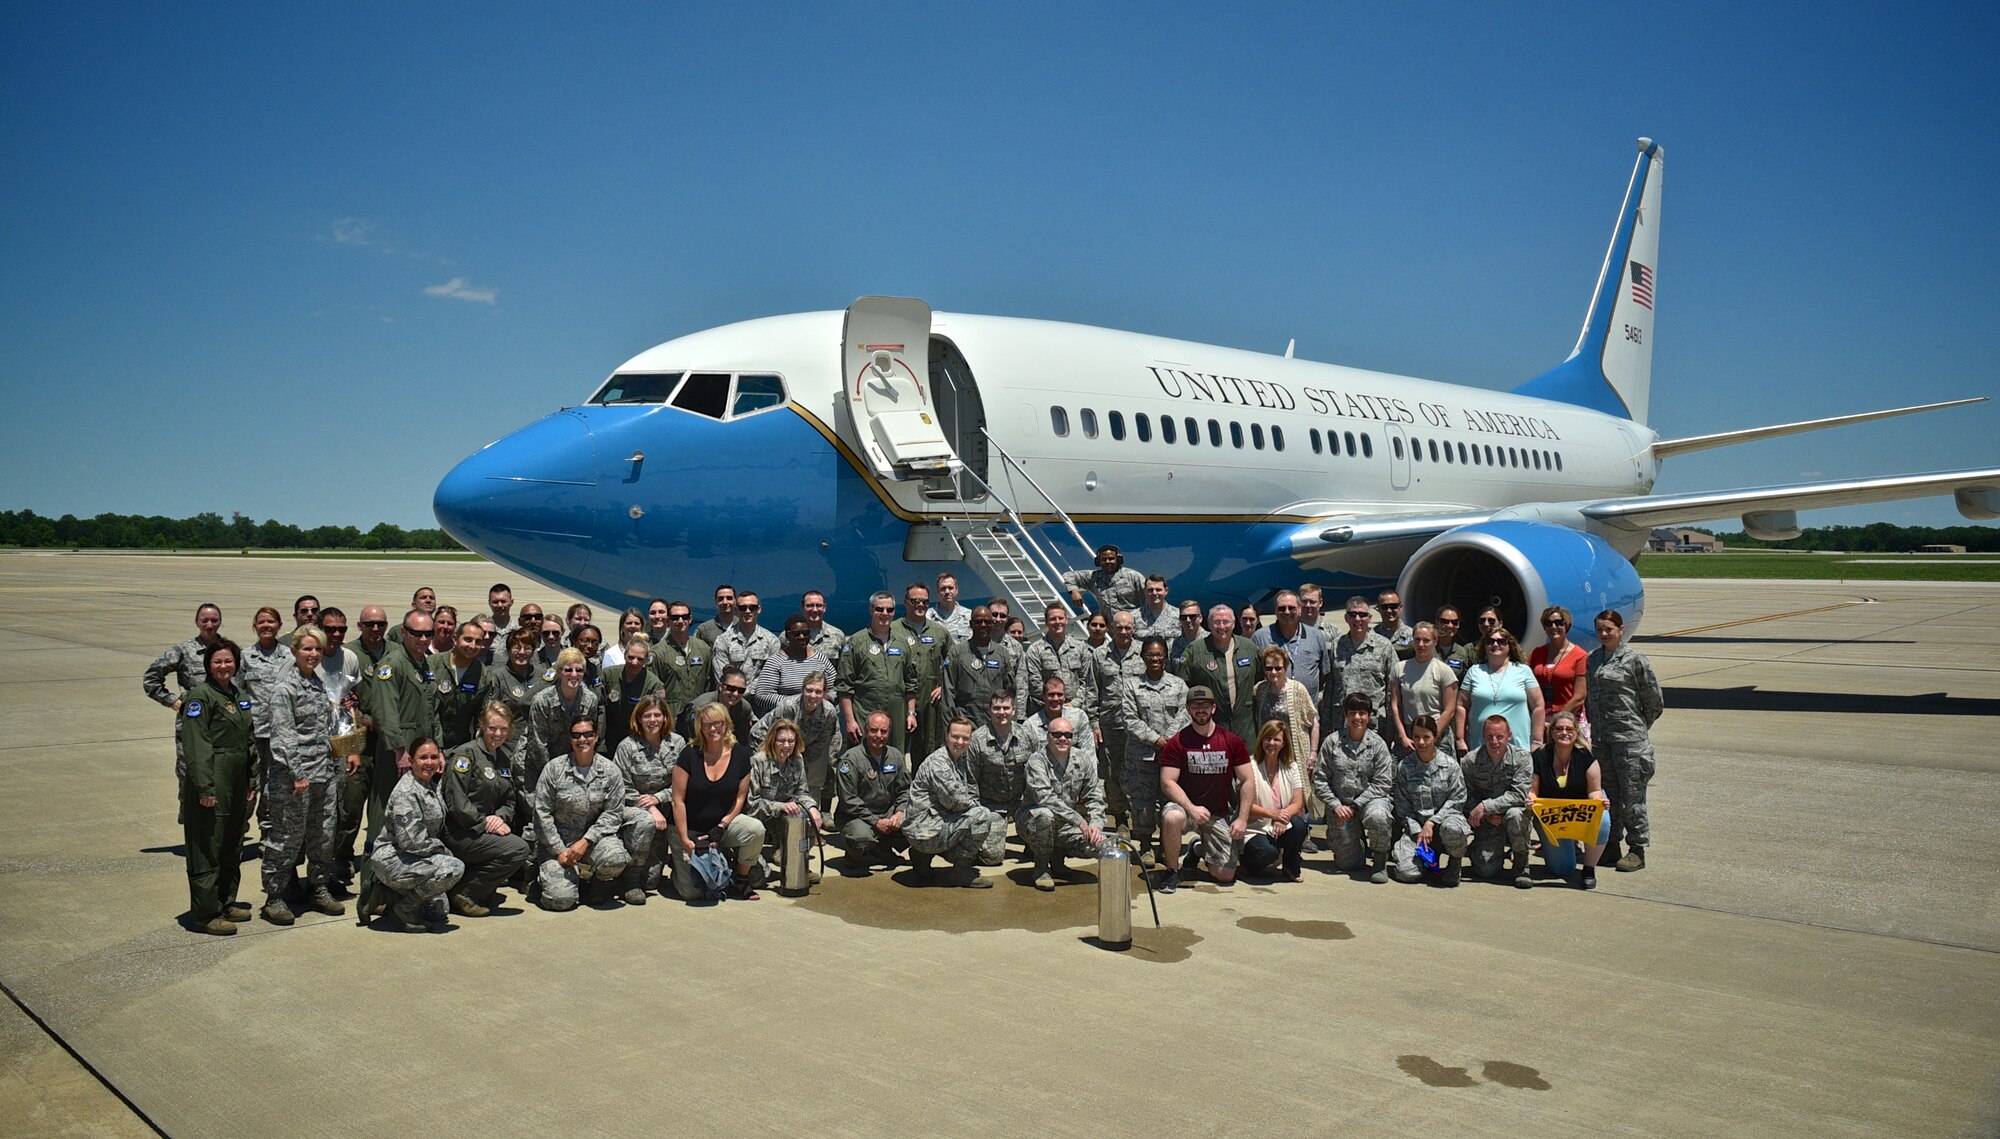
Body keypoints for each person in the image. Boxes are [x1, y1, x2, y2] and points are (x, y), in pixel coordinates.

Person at [259, 626, 346, 925]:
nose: (313, 654)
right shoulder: (286, 688)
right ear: (294, 651)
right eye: (307, 649)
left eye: (318, 650)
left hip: (322, 772)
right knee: (287, 837)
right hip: (293, 778)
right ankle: (275, 895)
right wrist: (297, 774)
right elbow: (283, 737)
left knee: (323, 834)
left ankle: (319, 887)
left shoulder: (319, 684)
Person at [357, 610, 441, 893]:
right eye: (416, 633)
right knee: (384, 817)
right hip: (399, 753)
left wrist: (436, 750)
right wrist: (399, 750)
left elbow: (431, 711)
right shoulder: (392, 664)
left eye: (428, 633)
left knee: (416, 818)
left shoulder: (423, 664)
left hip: (420, 752)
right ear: (403, 632)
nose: (423, 638)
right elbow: (384, 712)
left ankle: (409, 883)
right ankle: (372, 885)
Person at [534, 715, 650, 909]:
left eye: (588, 734)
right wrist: (559, 850)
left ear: (596, 736)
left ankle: (596, 882)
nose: (582, 740)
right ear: (570, 739)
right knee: (561, 901)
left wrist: (587, 840)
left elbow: (613, 813)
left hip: (594, 842)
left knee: (616, 859)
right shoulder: (554, 769)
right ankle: (549, 879)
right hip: (559, 844)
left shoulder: (610, 770)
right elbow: (541, 813)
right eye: (576, 735)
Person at [178, 638, 254, 934]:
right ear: (208, 665)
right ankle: (205, 913)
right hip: (213, 777)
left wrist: (252, 779)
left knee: (230, 842)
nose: (224, 666)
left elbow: (248, 740)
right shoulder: (200, 697)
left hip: (236, 779)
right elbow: (197, 747)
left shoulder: (237, 695)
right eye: (218, 661)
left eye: (229, 661)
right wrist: (205, 789)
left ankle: (225, 900)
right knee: (207, 845)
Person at [1155, 686, 1255, 893]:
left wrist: (1242, 818)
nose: (1200, 710)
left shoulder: (1231, 740)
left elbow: (1247, 780)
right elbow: (1167, 782)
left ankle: (1198, 848)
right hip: (1186, 809)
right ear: (1188, 709)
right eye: (1195, 705)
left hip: (1217, 812)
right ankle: (1172, 871)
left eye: (1205, 705)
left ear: (1214, 708)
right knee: (1172, 817)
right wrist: (1191, 808)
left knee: (1225, 876)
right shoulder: (1177, 742)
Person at [1586, 609, 1664, 871]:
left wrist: (1637, 727)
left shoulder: (1634, 660)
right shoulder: (1593, 660)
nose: (1604, 634)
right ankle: (1610, 845)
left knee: (1632, 798)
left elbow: (1653, 701)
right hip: (1602, 741)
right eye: (1599, 629)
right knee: (1609, 796)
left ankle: (1637, 848)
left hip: (1630, 742)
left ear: (1621, 630)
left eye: (1609, 629)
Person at [440, 703, 532, 915]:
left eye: (503, 729)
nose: (497, 734)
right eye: (492, 728)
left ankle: (472, 884)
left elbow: (510, 801)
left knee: (517, 846)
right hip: (461, 831)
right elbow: (457, 801)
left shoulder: (502, 759)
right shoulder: (465, 755)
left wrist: (499, 818)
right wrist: (484, 823)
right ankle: (465, 892)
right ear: (482, 725)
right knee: (518, 849)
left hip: (485, 829)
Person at [367, 737, 466, 930]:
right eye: (422, 758)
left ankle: (384, 896)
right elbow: (410, 842)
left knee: (439, 911)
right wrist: (443, 851)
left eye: (433, 757)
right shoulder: (407, 792)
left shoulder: (429, 784)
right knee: (453, 868)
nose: (429, 762)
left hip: (417, 857)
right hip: (394, 858)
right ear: (411, 760)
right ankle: (404, 909)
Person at [670, 702, 764, 901]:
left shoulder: (741, 755)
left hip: (720, 829)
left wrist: (724, 824)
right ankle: (677, 868)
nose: (713, 729)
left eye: (718, 723)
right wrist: (685, 840)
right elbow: (677, 800)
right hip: (690, 831)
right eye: (706, 725)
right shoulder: (689, 754)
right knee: (693, 893)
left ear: (727, 724)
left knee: (755, 829)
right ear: (700, 728)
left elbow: (740, 798)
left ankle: (741, 878)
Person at [144, 601, 223, 818]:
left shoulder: (228, 649)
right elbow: (151, 678)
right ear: (197, 622)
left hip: (222, 726)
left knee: (220, 777)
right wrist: (173, 702)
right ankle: (191, 825)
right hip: (192, 725)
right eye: (204, 620)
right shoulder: (183, 650)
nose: (209, 624)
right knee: (190, 774)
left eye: (214, 620)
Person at [904, 717, 1000, 888]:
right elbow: (957, 802)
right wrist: (976, 808)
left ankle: (922, 857)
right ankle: (959, 873)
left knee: (978, 821)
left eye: (965, 738)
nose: (960, 742)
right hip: (924, 830)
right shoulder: (939, 763)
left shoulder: (960, 759)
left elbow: (971, 790)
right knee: (982, 817)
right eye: (955, 737)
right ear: (946, 737)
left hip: (934, 823)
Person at [1312, 694, 1395, 883]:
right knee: (1348, 864)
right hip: (1340, 808)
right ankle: (1356, 844)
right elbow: (1320, 779)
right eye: (1353, 713)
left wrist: (1357, 805)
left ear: (1369, 716)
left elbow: (1382, 782)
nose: (1357, 718)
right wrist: (1335, 805)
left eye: (1362, 713)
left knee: (1379, 816)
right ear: (1345, 715)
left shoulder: (1378, 744)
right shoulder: (1332, 742)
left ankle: (1380, 860)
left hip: (1369, 802)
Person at [1121, 636, 1190, 859]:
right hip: (1141, 757)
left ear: (1166, 656)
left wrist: (1168, 739)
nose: (1155, 659)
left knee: (1168, 801)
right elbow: (1130, 718)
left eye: (1159, 654)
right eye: (1150, 654)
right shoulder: (1131, 685)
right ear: (1143, 656)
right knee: (1142, 802)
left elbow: (1185, 713)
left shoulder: (1178, 685)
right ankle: (1145, 845)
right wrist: (1155, 740)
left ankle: (1166, 844)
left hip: (1171, 757)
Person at [612, 693, 685, 895]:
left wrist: (658, 798)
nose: (652, 720)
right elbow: (622, 788)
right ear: (639, 719)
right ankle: (630, 878)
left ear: (665, 718)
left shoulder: (677, 744)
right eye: (647, 716)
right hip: (636, 811)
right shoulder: (627, 746)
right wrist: (650, 807)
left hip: (668, 810)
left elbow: (684, 783)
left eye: (657, 715)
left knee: (651, 881)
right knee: (645, 822)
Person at [1021, 716, 1106, 891]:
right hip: (1033, 822)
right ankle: (1041, 868)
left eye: (1067, 735)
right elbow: (1046, 799)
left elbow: (1094, 797)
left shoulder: (1082, 759)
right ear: (1048, 736)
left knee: (1100, 846)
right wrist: (1081, 822)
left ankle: (1058, 860)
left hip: (1066, 826)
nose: (1062, 739)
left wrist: (1096, 826)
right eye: (1057, 734)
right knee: (1045, 815)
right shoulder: (1037, 761)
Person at [1530, 711, 1609, 889]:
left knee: (1603, 819)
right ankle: (1568, 846)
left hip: (1580, 813)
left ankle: (1589, 868)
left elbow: (1595, 791)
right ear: (1551, 733)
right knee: (1562, 869)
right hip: (1553, 818)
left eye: (1569, 729)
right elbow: (1533, 791)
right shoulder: (1540, 757)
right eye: (1559, 729)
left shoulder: (1586, 758)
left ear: (1576, 732)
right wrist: (1531, 800)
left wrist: (1599, 803)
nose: (1564, 732)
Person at [1389, 716, 1470, 885]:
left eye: (1426, 737)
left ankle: (1454, 864)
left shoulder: (1450, 766)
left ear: (1436, 738)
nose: (1421, 742)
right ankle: (1425, 863)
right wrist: (1418, 830)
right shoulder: (1404, 767)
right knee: (1406, 873)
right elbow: (1403, 807)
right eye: (1416, 736)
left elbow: (1457, 799)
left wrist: (1432, 822)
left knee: (1453, 829)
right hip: (1417, 831)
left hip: (1444, 826)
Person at [830, 711, 910, 875]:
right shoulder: (850, 759)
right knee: (861, 838)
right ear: (866, 731)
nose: (878, 735)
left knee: (916, 825)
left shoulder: (896, 756)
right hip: (856, 816)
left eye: (883, 731)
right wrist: (876, 822)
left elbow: (905, 790)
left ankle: (880, 849)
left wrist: (900, 812)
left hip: (887, 813)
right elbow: (848, 800)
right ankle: (853, 856)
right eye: (874, 730)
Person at [748, 671, 842, 807]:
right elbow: (777, 736)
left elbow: (820, 744)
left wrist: (800, 763)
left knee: (794, 778)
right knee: (769, 780)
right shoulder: (788, 706)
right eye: (809, 690)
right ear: (802, 690)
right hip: (765, 740)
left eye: (818, 692)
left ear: (824, 694)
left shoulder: (829, 713)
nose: (813, 696)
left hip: (794, 746)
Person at [747, 718, 823, 884]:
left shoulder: (797, 760)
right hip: (759, 819)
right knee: (757, 881)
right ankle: (755, 864)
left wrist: (813, 808)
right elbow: (751, 804)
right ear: (772, 740)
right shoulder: (758, 761)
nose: (786, 746)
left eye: (791, 741)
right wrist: (780, 806)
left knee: (810, 818)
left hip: (783, 818)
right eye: (781, 741)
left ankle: (792, 861)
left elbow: (802, 792)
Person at [1463, 714, 1534, 888]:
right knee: (1486, 871)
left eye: (1500, 737)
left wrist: (1486, 806)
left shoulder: (1522, 759)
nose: (1494, 741)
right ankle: (1480, 850)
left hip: (1513, 816)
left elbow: (1519, 794)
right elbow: (1464, 796)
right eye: (1490, 737)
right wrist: (1484, 815)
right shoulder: (1470, 761)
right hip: (1487, 822)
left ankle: (1521, 864)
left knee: (1515, 814)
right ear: (1483, 736)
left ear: (1509, 736)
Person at [524, 648, 605, 800]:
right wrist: (553, 779)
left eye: (579, 670)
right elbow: (539, 746)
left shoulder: (590, 700)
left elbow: (587, 739)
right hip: (538, 766)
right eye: (568, 670)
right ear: (559, 672)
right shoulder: (542, 700)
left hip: (572, 763)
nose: (574, 675)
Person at [238, 606, 291, 837]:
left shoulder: (289, 656)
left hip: (279, 734)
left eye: (271, 622)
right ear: (254, 626)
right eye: (261, 622)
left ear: (279, 626)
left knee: (273, 789)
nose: (266, 626)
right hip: (252, 733)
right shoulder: (245, 657)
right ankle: (238, 834)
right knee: (249, 786)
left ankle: (267, 835)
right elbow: (236, 693)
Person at [968, 690, 1037, 866]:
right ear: (989, 711)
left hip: (1020, 802)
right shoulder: (977, 739)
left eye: (1006, 708)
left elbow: (1038, 772)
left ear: (1013, 710)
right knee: (992, 857)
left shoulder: (1027, 735)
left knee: (1043, 827)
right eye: (997, 708)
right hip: (991, 804)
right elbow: (970, 780)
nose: (1002, 712)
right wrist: (977, 814)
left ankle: (1032, 844)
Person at [837, 591, 914, 750]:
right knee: (864, 759)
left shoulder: (902, 643)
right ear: (871, 610)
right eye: (880, 609)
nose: (885, 614)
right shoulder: (857, 642)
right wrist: (850, 721)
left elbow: (911, 682)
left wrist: (911, 714)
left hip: (896, 716)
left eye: (889, 610)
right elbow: (844, 686)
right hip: (865, 713)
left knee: (894, 758)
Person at [1092, 611, 1146, 829]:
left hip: (1140, 726)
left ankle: (1142, 819)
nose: (1123, 632)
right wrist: (1094, 723)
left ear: (1134, 629)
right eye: (1119, 627)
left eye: (1128, 628)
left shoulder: (1144, 652)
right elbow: (1092, 691)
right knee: (1113, 774)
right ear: (1112, 629)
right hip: (1111, 724)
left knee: (1140, 772)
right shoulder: (1099, 655)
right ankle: (1120, 817)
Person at [1457, 626, 1545, 757]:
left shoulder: (1523, 671)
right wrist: (1460, 739)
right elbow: (1461, 706)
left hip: (1518, 749)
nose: (1495, 644)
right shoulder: (1474, 671)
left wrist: (1537, 740)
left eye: (1501, 641)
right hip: (1480, 748)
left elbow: (1538, 705)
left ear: (1510, 645)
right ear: (1484, 646)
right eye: (1490, 641)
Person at [1241, 721, 1308, 882]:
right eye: (1267, 738)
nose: (1271, 743)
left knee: (1299, 826)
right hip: (1256, 828)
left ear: (1284, 743)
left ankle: (1290, 866)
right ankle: (1247, 864)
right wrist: (1274, 815)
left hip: (1281, 824)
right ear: (1261, 740)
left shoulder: (1291, 766)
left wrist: (1282, 817)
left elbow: (1298, 803)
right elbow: (1247, 806)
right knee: (1267, 853)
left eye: (1276, 739)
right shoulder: (1250, 766)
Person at [1180, 604, 1259, 739]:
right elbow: (1182, 686)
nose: (1222, 626)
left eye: (1226, 622)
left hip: (1245, 730)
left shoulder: (1249, 648)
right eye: (1217, 622)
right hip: (1209, 730)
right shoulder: (1194, 650)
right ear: (1209, 623)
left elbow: (1260, 679)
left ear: (1234, 624)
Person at [895, 581, 953, 763]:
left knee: (927, 748)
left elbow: (953, 664)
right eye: (915, 601)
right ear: (905, 602)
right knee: (897, 746)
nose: (920, 605)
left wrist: (944, 686)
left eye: (925, 602)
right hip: (900, 697)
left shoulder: (940, 632)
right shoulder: (892, 630)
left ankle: (922, 787)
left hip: (930, 700)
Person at [1252, 646, 1318, 797]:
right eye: (1269, 668)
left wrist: (1313, 753)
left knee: (1296, 795)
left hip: (1294, 753)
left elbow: (1314, 723)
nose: (1273, 672)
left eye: (1278, 668)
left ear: (1286, 668)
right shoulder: (1259, 690)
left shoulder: (1297, 690)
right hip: (1269, 751)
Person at [1330, 595, 1398, 742]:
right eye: (1352, 615)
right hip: (1342, 723)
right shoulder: (1337, 645)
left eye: (1362, 615)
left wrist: (1391, 727)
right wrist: (1326, 723)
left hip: (1374, 725)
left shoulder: (1384, 646)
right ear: (1346, 618)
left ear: (1370, 618)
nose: (1357, 619)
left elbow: (1392, 690)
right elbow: (1331, 686)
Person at [476, 627, 547, 763]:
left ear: (533, 651)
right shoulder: (497, 676)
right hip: (507, 748)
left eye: (527, 648)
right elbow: (488, 714)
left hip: (537, 746)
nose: (522, 652)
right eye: (516, 648)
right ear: (508, 651)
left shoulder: (542, 676)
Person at [942, 606, 1017, 730]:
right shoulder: (957, 653)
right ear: (971, 624)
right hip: (965, 723)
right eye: (978, 622)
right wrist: (949, 727)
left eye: (987, 622)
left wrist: (1010, 724)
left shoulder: (1002, 654)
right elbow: (948, 693)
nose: (983, 625)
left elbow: (1010, 692)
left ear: (992, 624)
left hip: (994, 723)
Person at [649, 600, 715, 735]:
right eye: (675, 617)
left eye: (684, 617)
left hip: (700, 720)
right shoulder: (657, 653)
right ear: (668, 620)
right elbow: (652, 692)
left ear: (690, 619)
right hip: (670, 723)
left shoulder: (704, 649)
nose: (680, 621)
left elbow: (710, 686)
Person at [750, 613, 836, 715]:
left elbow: (835, 689)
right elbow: (762, 696)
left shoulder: (821, 659)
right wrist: (800, 702)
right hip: (784, 720)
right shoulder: (776, 661)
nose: (801, 637)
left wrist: (821, 699)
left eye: (805, 633)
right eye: (796, 634)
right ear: (787, 636)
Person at [1020, 604, 1094, 721]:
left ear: (1066, 620)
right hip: (1045, 713)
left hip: (1075, 712)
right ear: (1046, 622)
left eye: (1060, 618)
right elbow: (1034, 683)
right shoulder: (1035, 650)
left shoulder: (1080, 648)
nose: (1057, 622)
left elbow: (1088, 680)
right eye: (1053, 619)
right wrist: (1054, 702)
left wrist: (1074, 703)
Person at [1397, 622, 1461, 755]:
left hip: (1438, 734)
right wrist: (1403, 736)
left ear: (1435, 641)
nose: (1421, 645)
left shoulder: (1444, 671)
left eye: (1426, 640)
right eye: (1417, 639)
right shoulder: (1399, 668)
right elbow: (1395, 705)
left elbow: (1449, 709)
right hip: (1410, 736)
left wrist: (1433, 736)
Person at [1253, 590, 1330, 697]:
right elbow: (1255, 675)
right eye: (1281, 608)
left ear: (1299, 609)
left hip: (1307, 710)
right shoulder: (1260, 637)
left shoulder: (1316, 636)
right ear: (1275, 610)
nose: (1287, 612)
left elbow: (1324, 673)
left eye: (1291, 608)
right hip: (1272, 709)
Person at [427, 620, 488, 749]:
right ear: (455, 639)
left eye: (478, 642)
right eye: (467, 639)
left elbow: (481, 719)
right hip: (427, 743)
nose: (472, 646)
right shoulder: (432, 665)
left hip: (460, 746)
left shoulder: (483, 675)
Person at [1529, 605, 1589, 734]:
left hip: (1568, 721)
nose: (1554, 627)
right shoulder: (1537, 653)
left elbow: (1579, 697)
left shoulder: (1580, 655)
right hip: (1541, 721)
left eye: (1559, 623)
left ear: (1567, 625)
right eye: (1548, 623)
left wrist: (1557, 721)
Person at [601, 633, 663, 752]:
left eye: (640, 659)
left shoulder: (654, 685)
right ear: (624, 655)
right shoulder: (608, 675)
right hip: (609, 740)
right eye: (631, 657)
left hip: (639, 741)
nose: (634, 662)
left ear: (646, 660)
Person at [712, 591, 780, 689]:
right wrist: (738, 692)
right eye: (742, 608)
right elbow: (722, 677)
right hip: (731, 698)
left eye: (752, 607)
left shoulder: (772, 641)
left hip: (759, 699)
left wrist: (745, 691)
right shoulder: (723, 641)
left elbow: (770, 676)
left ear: (759, 609)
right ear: (736, 610)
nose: (747, 611)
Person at [1064, 543, 1146, 613]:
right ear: (1098, 561)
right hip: (1110, 628)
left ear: (1119, 560)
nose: (1107, 562)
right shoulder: (1094, 577)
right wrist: (1074, 590)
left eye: (1111, 559)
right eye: (1104, 559)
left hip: (1133, 626)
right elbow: (1068, 575)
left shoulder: (1133, 576)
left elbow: (1149, 597)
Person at [690, 665, 755, 746]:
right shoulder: (701, 706)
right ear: (720, 687)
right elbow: (692, 736)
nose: (735, 694)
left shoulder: (744, 708)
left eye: (741, 690)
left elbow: (742, 739)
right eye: (731, 688)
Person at [1133, 574, 1179, 643]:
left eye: (1158, 590)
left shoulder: (1180, 616)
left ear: (1166, 591)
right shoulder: (1133, 617)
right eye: (1150, 590)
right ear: (1144, 591)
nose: (1154, 593)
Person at [926, 571, 972, 640]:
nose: (947, 592)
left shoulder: (969, 616)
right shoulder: (927, 617)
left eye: (950, 588)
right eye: (943, 588)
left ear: (956, 590)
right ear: (938, 592)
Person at [801, 589, 846, 658]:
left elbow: (843, 666)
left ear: (824, 608)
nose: (815, 610)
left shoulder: (838, 635)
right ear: (802, 608)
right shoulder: (789, 636)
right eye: (810, 605)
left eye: (819, 605)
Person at [1376, 589, 1415, 660]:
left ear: (1400, 607)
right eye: (1384, 607)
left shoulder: (1413, 636)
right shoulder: (1371, 636)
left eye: (1393, 606)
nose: (1389, 610)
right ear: (1378, 609)